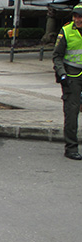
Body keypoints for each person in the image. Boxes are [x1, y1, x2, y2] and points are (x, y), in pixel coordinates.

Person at [53, 4, 82, 161]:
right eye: (75, 16)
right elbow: (57, 56)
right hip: (72, 75)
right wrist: (62, 74)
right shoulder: (66, 31)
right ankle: (71, 148)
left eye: (80, 16)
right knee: (72, 112)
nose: (77, 19)